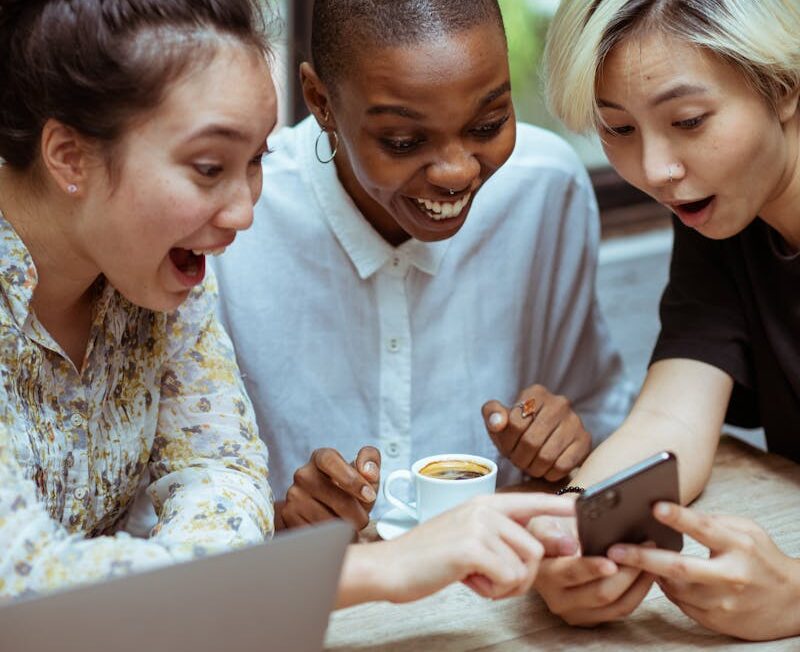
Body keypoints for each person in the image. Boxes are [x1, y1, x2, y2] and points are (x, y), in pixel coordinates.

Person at [0, 0, 577, 607]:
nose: (244, 212)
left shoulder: (153, 273)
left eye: (254, 162)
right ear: (69, 156)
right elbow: (22, 577)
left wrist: (210, 586)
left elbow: (224, 481)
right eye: (207, 167)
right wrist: (387, 568)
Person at [212, 0, 634, 530]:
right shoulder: (237, 227)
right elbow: (171, 505)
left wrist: (566, 441)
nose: (456, 172)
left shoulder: (545, 190)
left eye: (489, 124)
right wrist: (277, 524)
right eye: (404, 141)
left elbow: (602, 418)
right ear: (320, 101)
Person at [531, 0, 800, 641]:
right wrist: (569, 531)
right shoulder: (723, 213)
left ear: (784, 86)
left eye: (688, 120)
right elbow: (669, 419)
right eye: (618, 129)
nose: (656, 170)